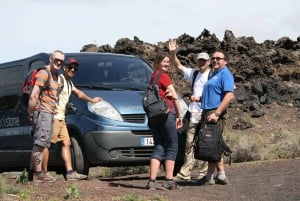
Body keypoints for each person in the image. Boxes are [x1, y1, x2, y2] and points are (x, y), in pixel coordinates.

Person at [42, 58, 102, 180]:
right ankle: (42, 173)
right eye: (70, 67)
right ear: (64, 67)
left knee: (66, 143)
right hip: (54, 117)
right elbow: (49, 93)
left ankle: (70, 172)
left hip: (61, 118)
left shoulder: (69, 82)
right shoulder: (59, 80)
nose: (73, 70)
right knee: (46, 145)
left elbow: (79, 94)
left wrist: (91, 100)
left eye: (75, 69)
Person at [168, 39, 209, 181]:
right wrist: (173, 53)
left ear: (209, 62)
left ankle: (205, 173)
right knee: (189, 143)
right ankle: (186, 172)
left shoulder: (213, 76)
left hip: (206, 113)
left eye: (204, 61)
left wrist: (200, 99)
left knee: (206, 143)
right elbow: (179, 66)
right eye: (199, 61)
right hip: (193, 113)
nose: (201, 63)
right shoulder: (195, 74)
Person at [146, 52, 183, 191]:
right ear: (157, 63)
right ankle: (168, 181)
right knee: (173, 145)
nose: (167, 64)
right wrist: (179, 115)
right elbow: (174, 97)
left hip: (154, 117)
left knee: (159, 146)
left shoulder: (153, 77)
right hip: (167, 114)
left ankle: (152, 181)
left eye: (168, 62)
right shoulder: (164, 77)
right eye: (164, 62)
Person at [28, 50, 65, 182]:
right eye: (56, 59)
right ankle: (38, 174)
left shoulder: (56, 76)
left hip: (48, 113)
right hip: (42, 113)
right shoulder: (44, 73)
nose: (59, 62)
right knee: (39, 144)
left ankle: (35, 173)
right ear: (50, 59)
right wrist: (31, 114)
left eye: (61, 61)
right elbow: (33, 95)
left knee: (43, 144)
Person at [198, 49, 235, 185]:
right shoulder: (214, 74)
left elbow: (229, 95)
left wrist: (217, 113)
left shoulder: (225, 74)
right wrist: (199, 99)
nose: (215, 60)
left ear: (225, 61)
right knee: (213, 143)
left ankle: (209, 176)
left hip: (215, 112)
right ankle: (220, 175)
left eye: (218, 58)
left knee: (211, 143)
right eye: (213, 58)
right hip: (207, 111)